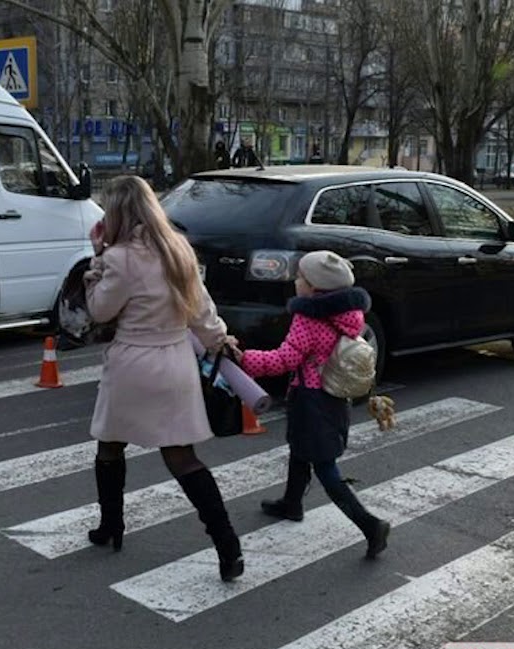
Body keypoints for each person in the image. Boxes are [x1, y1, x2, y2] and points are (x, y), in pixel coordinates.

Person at [82, 175, 245, 581]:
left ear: (118, 213)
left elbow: (101, 311)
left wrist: (95, 264)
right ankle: (228, 546)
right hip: (175, 360)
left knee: (110, 445)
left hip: (133, 363)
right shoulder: (178, 249)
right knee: (181, 457)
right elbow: (201, 311)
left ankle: (111, 526)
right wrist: (220, 340)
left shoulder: (118, 257)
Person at [235, 251, 391, 559]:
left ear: (315, 288)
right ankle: (292, 503)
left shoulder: (309, 319)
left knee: (324, 465)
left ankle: (370, 524)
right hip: (335, 397)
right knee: (300, 448)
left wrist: (245, 360)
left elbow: (286, 359)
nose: (296, 281)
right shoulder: (348, 316)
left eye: (301, 277)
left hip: (311, 398)